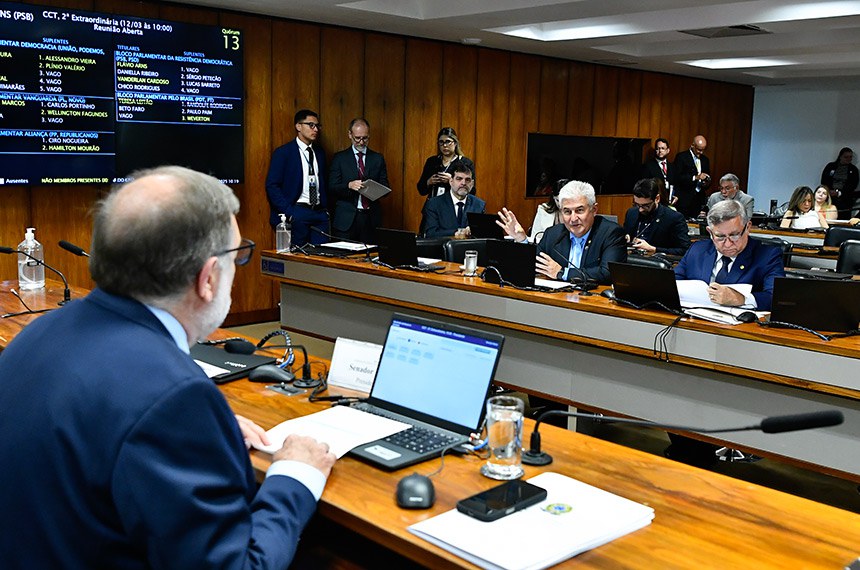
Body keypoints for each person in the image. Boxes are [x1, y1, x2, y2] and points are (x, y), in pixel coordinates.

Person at [0, 166, 337, 568]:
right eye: (236, 255)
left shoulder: (41, 331)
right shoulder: (173, 397)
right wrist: (295, 476)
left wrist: (204, 433)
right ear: (208, 278)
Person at [497, 180, 627, 285]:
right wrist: (522, 239)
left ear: (594, 209)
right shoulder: (553, 234)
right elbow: (534, 264)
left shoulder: (611, 233)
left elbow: (608, 274)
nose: (573, 218)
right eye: (567, 212)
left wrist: (562, 273)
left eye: (580, 210)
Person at [675, 199, 785, 311]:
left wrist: (742, 299)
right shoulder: (698, 250)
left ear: (748, 227)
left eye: (734, 235)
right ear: (710, 232)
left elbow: (776, 299)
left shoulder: (768, 256)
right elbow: (672, 285)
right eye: (720, 237)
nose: (727, 244)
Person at [266, 109, 330, 246]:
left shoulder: (319, 153)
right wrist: (289, 212)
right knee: (298, 261)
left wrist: (326, 211)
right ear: (298, 126)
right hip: (297, 212)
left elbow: (324, 182)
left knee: (322, 259)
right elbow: (272, 185)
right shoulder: (284, 152)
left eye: (317, 126)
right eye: (311, 125)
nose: (316, 129)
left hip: (319, 214)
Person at [329, 118, 390, 243]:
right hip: (346, 220)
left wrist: (374, 189)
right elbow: (332, 187)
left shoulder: (377, 158)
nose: (361, 142)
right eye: (357, 138)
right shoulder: (339, 158)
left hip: (370, 219)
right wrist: (349, 185)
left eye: (365, 138)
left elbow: (386, 187)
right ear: (349, 135)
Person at [623, 177, 691, 257]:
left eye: (646, 206)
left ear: (657, 199)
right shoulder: (631, 213)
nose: (640, 209)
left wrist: (655, 249)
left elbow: (685, 250)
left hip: (657, 263)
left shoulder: (673, 218)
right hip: (632, 260)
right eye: (637, 205)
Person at [421, 160, 485, 238]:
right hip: (442, 248)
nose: (463, 183)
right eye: (459, 179)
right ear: (451, 181)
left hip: (469, 249)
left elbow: (482, 234)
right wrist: (458, 232)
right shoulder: (434, 204)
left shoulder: (479, 205)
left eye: (467, 180)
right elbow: (431, 233)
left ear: (472, 184)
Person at [416, 127, 476, 200]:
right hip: (433, 206)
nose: (444, 145)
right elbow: (421, 190)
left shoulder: (465, 163)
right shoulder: (432, 161)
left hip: (453, 207)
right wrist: (428, 182)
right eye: (441, 142)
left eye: (448, 142)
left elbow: (472, 191)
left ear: (455, 143)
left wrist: (451, 181)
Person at [673, 135, 711, 219]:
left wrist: (706, 182)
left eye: (703, 150)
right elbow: (677, 177)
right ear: (692, 145)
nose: (701, 152)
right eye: (699, 150)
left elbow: (707, 177)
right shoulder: (682, 157)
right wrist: (695, 177)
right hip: (684, 199)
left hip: (698, 200)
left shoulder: (705, 160)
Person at [820, 147, 859, 217]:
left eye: (850, 157)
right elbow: (824, 181)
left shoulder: (853, 170)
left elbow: (853, 185)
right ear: (840, 157)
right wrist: (829, 191)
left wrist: (839, 193)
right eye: (846, 157)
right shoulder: (830, 166)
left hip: (845, 197)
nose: (848, 159)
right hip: (830, 195)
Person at [528, 178, 568, 242]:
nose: (560, 204)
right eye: (557, 200)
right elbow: (535, 237)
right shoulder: (543, 210)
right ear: (553, 197)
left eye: (563, 200)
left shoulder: (577, 213)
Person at [640, 138, 677, 205]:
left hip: (669, 202)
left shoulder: (672, 167)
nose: (660, 151)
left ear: (668, 150)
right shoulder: (648, 166)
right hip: (654, 202)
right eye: (658, 148)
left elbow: (676, 183)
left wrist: (676, 196)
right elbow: (645, 185)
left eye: (663, 148)